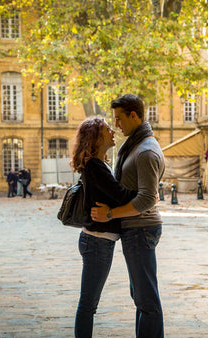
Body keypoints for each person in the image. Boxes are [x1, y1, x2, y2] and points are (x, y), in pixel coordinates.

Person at [91, 94, 166, 338]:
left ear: (134, 115)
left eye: (119, 119)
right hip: (135, 229)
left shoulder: (145, 151)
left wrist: (110, 214)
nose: (117, 125)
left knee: (147, 300)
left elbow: (145, 199)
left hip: (141, 229)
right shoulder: (136, 145)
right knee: (141, 298)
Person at [70, 116, 138, 338]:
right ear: (96, 137)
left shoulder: (101, 164)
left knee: (89, 302)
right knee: (88, 303)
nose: (113, 132)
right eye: (107, 129)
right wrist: (147, 195)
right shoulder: (95, 167)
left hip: (98, 241)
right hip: (96, 242)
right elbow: (120, 196)